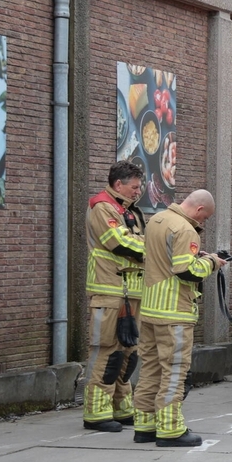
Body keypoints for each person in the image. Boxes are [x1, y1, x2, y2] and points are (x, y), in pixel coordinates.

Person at [133, 190, 226, 447]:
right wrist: (211, 263)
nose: (203, 223)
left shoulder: (157, 220)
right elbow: (186, 271)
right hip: (174, 312)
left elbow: (163, 259)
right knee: (174, 371)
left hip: (150, 308)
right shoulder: (186, 230)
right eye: (205, 218)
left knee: (150, 367)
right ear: (198, 210)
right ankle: (171, 429)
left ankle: (144, 425)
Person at [82, 161, 146, 432]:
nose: (138, 191)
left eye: (139, 186)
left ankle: (121, 407)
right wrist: (152, 247)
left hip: (130, 291)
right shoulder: (102, 206)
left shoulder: (130, 210)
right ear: (118, 184)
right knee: (106, 351)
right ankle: (96, 412)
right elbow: (120, 242)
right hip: (108, 290)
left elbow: (138, 241)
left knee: (128, 352)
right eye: (134, 186)